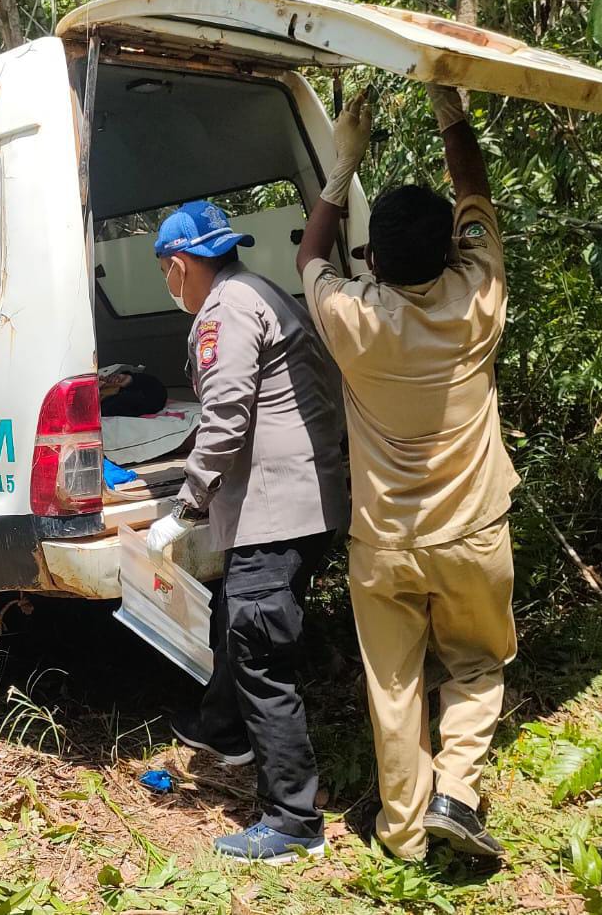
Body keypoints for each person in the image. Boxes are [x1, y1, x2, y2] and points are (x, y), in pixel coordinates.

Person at [295, 87, 517, 861]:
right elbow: (476, 197)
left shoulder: (356, 319)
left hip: (383, 541)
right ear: (453, 252)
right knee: (476, 661)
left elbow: (308, 259)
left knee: (392, 687)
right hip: (472, 531)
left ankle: (404, 832)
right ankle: (457, 789)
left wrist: (340, 167)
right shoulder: (478, 297)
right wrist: (450, 113)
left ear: (375, 260)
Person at [146, 200, 348, 864]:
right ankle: (224, 727)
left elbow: (227, 417)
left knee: (259, 649)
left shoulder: (223, 311)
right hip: (306, 496)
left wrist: (186, 505)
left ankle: (293, 818)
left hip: (274, 505)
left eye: (168, 276)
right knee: (240, 617)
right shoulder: (257, 289)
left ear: (178, 266)